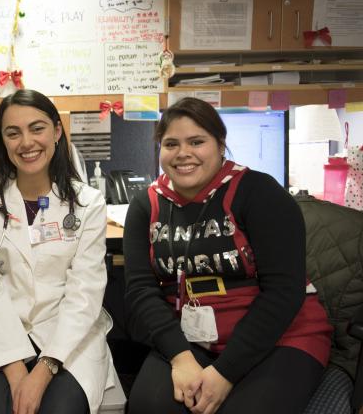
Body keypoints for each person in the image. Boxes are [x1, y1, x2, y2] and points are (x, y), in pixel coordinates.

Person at [123, 97, 333, 414]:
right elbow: (140, 290)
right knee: (147, 407)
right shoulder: (146, 205)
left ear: (220, 145)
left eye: (197, 141)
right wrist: (180, 357)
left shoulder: (260, 193)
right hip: (192, 340)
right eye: (171, 144)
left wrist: (226, 372)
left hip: (279, 336)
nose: (183, 154)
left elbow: (283, 292)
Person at [0, 89, 114, 414]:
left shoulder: (89, 204)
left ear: (57, 131)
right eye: (13, 133)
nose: (27, 142)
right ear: (2, 141)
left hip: (67, 333)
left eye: (37, 128)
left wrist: (45, 367)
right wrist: (14, 365)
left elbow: (85, 292)